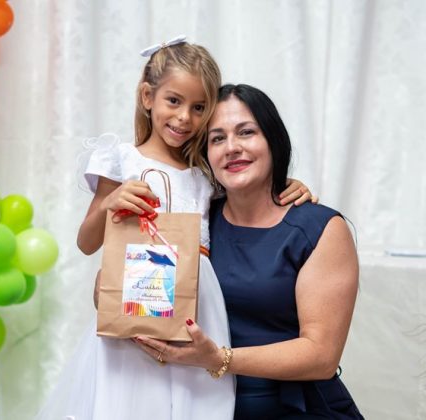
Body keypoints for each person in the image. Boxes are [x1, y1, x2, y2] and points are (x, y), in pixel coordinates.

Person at [36, 40, 314, 419]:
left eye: (199, 108)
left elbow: (249, 191)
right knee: (131, 397)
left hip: (197, 298)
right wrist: (110, 202)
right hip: (137, 290)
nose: (184, 118)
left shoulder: (205, 172)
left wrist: (287, 185)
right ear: (147, 97)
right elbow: (86, 243)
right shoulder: (120, 159)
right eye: (174, 101)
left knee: (192, 395)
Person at [134, 84, 364, 419]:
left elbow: (321, 356)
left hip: (295, 409)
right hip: (205, 405)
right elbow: (144, 298)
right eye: (217, 138)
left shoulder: (319, 229)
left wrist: (219, 359)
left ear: (273, 140)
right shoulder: (196, 222)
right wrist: (109, 288)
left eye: (246, 132)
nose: (232, 147)